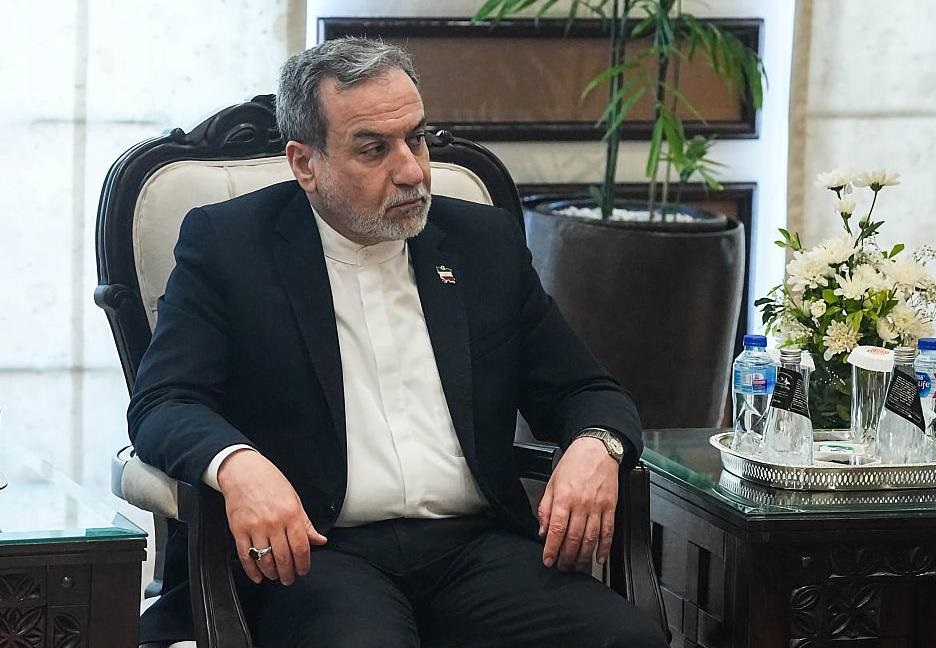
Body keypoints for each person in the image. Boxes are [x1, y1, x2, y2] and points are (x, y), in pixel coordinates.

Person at [129, 37, 667, 647]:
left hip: (475, 549)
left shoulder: (481, 242)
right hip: (315, 555)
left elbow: (584, 388)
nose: (411, 170)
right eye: (373, 149)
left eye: (417, 138)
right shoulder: (230, 245)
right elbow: (164, 402)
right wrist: (238, 465)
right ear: (305, 163)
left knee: (628, 641)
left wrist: (597, 446)